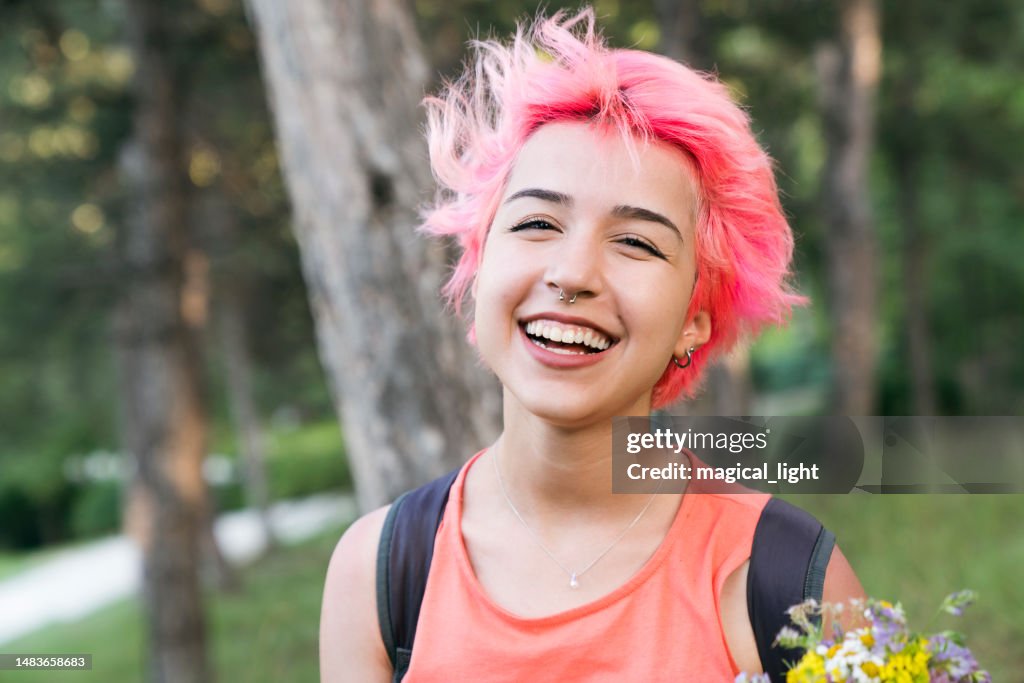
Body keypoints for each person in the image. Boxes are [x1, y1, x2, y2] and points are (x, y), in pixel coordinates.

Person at [320, 8, 865, 681]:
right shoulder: (382, 573)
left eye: (635, 241)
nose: (573, 274)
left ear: (695, 315)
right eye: (538, 221)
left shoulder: (782, 577)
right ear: (480, 257)